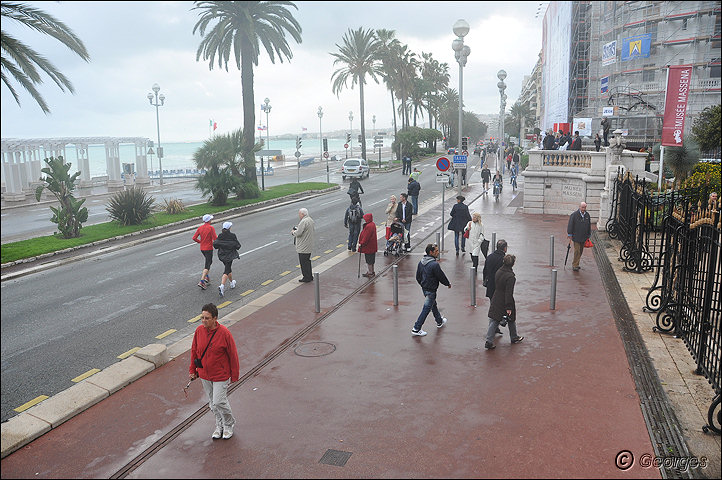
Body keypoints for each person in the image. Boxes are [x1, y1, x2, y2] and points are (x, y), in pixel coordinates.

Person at [189, 303, 240, 439]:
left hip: (220, 375)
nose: (203, 321)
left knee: (219, 401)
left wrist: (234, 375)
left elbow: (233, 355)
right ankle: (219, 425)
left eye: (207, 318)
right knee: (212, 403)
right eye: (202, 318)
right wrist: (192, 370)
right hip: (204, 374)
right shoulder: (199, 331)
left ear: (215, 318)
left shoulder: (224, 333)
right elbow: (194, 351)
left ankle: (229, 423)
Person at [485, 255, 524, 349]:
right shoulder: (510, 277)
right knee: (509, 318)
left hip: (496, 296)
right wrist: (508, 306)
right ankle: (513, 337)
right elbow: (508, 292)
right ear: (512, 264)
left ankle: (490, 340)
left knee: (495, 319)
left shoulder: (499, 271)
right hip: (504, 299)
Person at [412, 243, 451, 336]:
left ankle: (439, 321)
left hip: (424, 288)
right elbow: (441, 276)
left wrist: (422, 284)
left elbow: (418, 276)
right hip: (431, 290)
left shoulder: (421, 262)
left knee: (433, 304)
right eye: (436, 251)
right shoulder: (434, 265)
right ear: (431, 252)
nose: (438, 253)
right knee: (426, 308)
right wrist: (447, 283)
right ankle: (416, 328)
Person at [213, 221, 241, 298]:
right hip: (230, 255)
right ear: (229, 228)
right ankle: (222, 286)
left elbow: (215, 245)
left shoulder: (220, 235)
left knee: (228, 268)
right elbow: (238, 245)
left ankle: (232, 283)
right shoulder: (232, 235)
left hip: (222, 255)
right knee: (226, 270)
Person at [193, 214, 217, 290]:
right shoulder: (211, 228)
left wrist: (200, 241)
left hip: (202, 248)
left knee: (208, 262)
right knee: (207, 264)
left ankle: (207, 277)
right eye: (210, 219)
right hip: (209, 248)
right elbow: (215, 238)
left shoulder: (200, 228)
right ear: (209, 220)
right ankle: (202, 281)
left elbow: (194, 238)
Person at [292, 207, 315, 282]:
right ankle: (310, 275)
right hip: (308, 244)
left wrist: (293, 232)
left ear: (302, 214)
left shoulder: (303, 221)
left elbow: (298, 233)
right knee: (307, 261)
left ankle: (306, 277)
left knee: (303, 262)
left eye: (299, 214)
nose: (299, 215)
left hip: (303, 246)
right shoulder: (310, 220)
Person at [567, 201, 591, 272]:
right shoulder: (574, 215)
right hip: (576, 236)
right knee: (577, 251)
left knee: (580, 251)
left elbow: (588, 225)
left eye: (585, 207)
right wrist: (570, 234)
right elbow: (570, 224)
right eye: (582, 207)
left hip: (584, 236)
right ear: (579, 207)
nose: (584, 209)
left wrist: (588, 234)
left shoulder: (587, 215)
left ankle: (576, 263)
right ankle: (575, 265)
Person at [357, 213, 378, 277]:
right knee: (372, 259)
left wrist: (361, 243)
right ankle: (372, 271)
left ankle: (370, 272)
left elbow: (366, 237)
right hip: (372, 246)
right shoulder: (372, 224)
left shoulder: (369, 226)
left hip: (368, 246)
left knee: (368, 260)